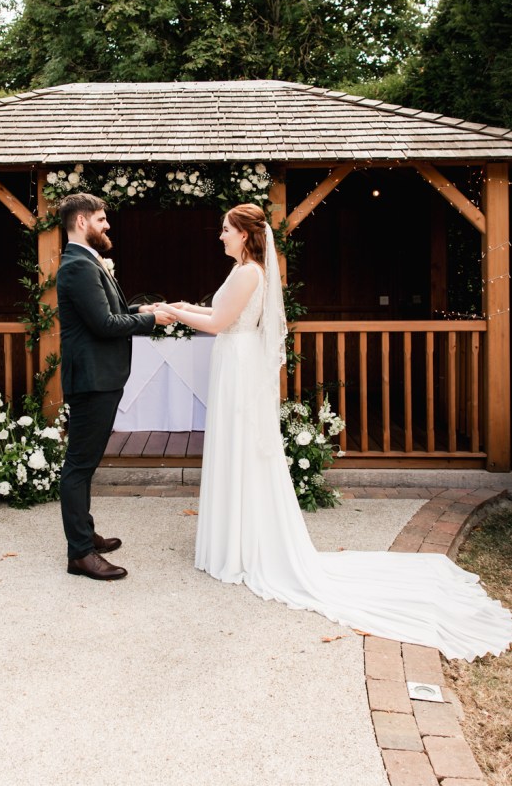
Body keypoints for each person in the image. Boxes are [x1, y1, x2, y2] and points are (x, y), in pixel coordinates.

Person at [158, 204, 512, 661]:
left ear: (244, 235)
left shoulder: (247, 273)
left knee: (240, 448)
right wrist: (181, 306)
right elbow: (215, 312)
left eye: (225, 230)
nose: (220, 236)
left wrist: (174, 313)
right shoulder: (245, 269)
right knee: (236, 449)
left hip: (238, 364)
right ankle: (236, 540)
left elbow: (217, 323)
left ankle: (241, 547)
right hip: (235, 360)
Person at [56, 193, 172, 581]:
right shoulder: (77, 265)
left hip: (102, 377)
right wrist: (152, 322)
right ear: (82, 221)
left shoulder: (88, 260)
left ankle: (85, 534)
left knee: (86, 463)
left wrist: (143, 310)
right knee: (79, 466)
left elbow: (112, 313)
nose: (107, 225)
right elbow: (104, 326)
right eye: (101, 219)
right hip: (91, 380)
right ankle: (80, 554)